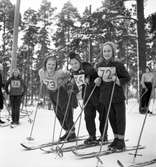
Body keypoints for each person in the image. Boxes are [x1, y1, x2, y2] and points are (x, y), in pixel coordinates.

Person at [94, 41, 130, 150]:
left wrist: (118, 80)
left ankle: (121, 140)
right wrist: (97, 81)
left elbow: (127, 77)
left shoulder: (118, 64)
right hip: (106, 96)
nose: (106, 53)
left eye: (109, 51)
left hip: (117, 95)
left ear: (113, 52)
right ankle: (116, 138)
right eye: (104, 51)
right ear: (102, 53)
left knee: (119, 118)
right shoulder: (99, 65)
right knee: (112, 118)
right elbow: (100, 79)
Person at [68, 52, 108, 145]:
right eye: (72, 64)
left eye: (76, 63)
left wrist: (86, 75)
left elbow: (91, 70)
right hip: (87, 97)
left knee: (102, 116)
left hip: (98, 96)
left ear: (79, 62)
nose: (74, 65)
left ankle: (104, 135)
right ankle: (92, 136)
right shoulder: (73, 72)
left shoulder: (86, 67)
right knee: (88, 117)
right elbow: (77, 86)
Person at [38, 56, 78, 141]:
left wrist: (63, 82)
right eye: (49, 64)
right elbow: (42, 79)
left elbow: (69, 75)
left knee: (66, 111)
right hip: (51, 93)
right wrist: (42, 81)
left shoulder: (59, 73)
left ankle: (72, 132)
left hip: (61, 92)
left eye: (53, 65)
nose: (51, 66)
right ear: (45, 64)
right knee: (58, 113)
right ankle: (67, 131)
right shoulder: (41, 72)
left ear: (56, 66)